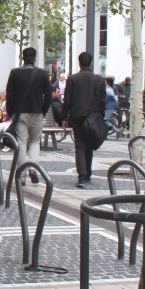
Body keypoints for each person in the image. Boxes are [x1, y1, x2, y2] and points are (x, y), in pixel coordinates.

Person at [4, 47, 52, 183]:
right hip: (36, 112)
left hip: (20, 113)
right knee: (35, 141)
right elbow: (48, 95)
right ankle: (33, 168)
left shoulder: (14, 73)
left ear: (22, 57)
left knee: (21, 142)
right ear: (35, 58)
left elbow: (10, 95)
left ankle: (21, 175)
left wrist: (11, 112)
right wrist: (43, 110)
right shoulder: (42, 73)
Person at [62, 51, 106, 188]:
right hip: (93, 116)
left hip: (77, 116)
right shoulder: (99, 80)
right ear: (91, 63)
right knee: (90, 145)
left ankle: (81, 175)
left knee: (80, 145)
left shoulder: (73, 79)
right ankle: (88, 174)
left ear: (79, 63)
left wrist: (64, 117)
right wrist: (101, 116)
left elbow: (67, 100)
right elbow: (102, 101)